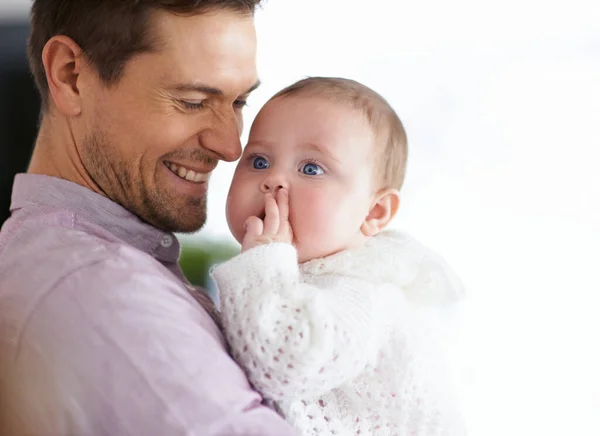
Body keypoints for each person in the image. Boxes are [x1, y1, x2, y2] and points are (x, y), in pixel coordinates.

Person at [0, 1, 297, 435]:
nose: (231, 146)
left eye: (238, 101)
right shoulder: (104, 289)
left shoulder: (66, 264)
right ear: (71, 76)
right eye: (192, 101)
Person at [211, 77, 467, 435]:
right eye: (258, 160)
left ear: (374, 212)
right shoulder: (293, 273)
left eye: (311, 168)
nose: (273, 180)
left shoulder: (364, 294)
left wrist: (266, 258)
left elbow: (283, 362)